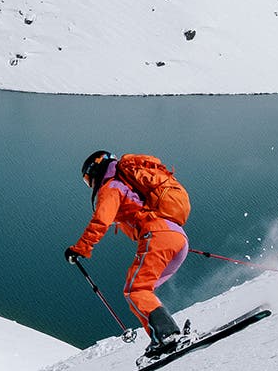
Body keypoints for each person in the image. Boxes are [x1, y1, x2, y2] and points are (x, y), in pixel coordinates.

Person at [65, 150, 192, 355]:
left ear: (94, 171)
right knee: (140, 291)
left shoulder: (111, 187)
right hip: (177, 237)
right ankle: (161, 337)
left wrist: (80, 249)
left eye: (88, 180)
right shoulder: (129, 185)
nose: (90, 185)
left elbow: (101, 221)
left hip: (159, 235)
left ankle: (167, 335)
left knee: (136, 290)